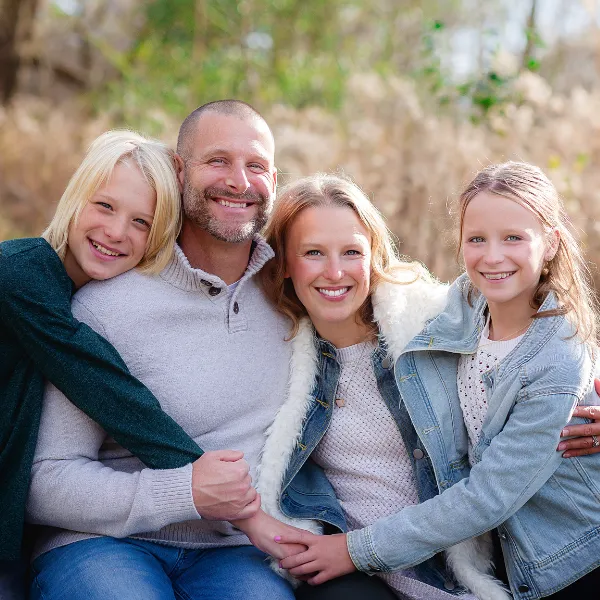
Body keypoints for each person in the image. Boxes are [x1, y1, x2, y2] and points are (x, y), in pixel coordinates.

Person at [25, 101, 392, 600]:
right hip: (102, 544)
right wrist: (183, 494)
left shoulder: (293, 293)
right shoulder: (105, 306)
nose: (239, 181)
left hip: (235, 552)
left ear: (273, 180)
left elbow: (383, 294)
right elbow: (46, 479)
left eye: (256, 166)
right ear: (179, 171)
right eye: (218, 160)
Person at [269, 166, 600, 599]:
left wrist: (355, 550)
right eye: (477, 239)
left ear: (551, 243)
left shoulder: (556, 360)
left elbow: (488, 496)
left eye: (513, 238)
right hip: (494, 547)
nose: (493, 256)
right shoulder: (462, 308)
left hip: (567, 559)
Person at [0, 129, 213, 598]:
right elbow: (109, 392)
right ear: (75, 199)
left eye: (141, 222)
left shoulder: (81, 295)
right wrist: (206, 483)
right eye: (104, 206)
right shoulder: (20, 273)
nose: (116, 232)